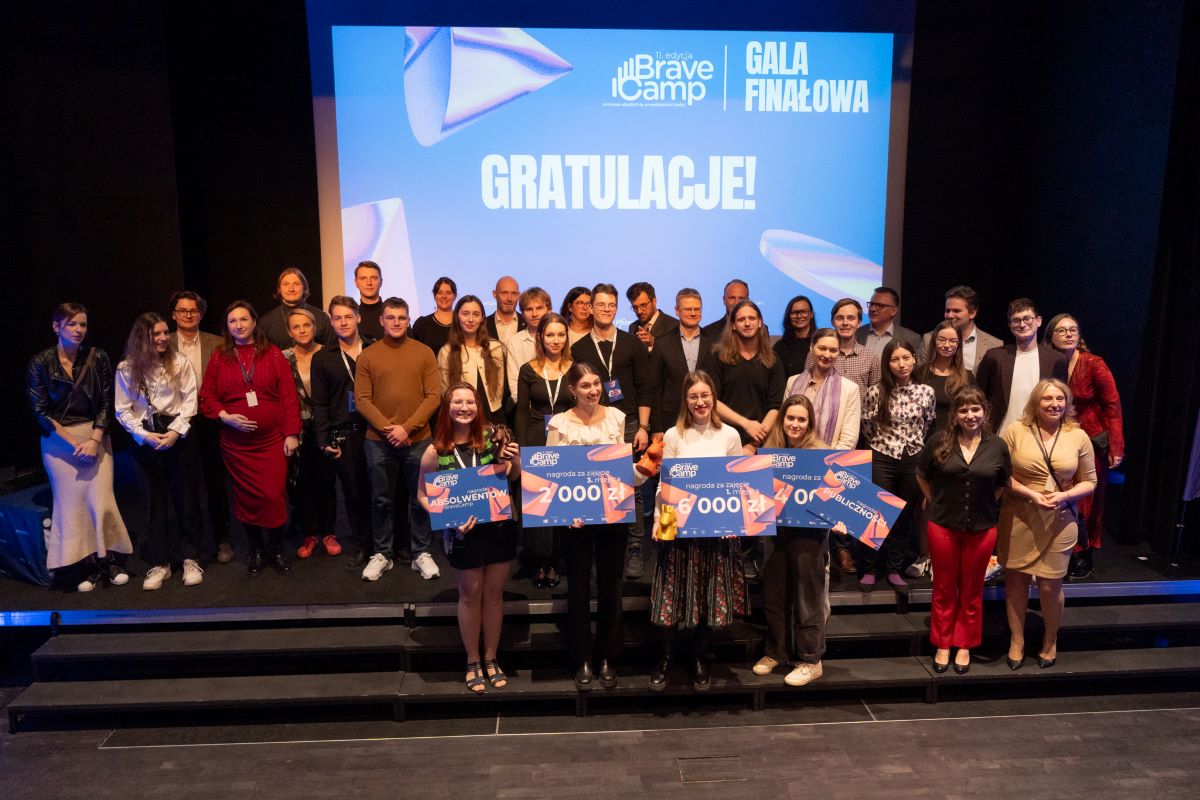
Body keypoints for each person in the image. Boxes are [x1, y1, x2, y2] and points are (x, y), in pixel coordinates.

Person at [547, 362, 648, 690]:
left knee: (611, 588)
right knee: (577, 588)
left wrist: (643, 473)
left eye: (596, 384)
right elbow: (551, 475)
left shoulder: (617, 419)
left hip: (612, 516)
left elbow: (620, 471)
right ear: (572, 390)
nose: (592, 390)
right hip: (574, 521)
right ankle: (582, 658)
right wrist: (565, 512)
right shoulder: (559, 423)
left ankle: (607, 656)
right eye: (585, 385)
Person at [417, 382, 522, 694]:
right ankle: (473, 660)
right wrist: (449, 517)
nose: (464, 408)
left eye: (470, 403)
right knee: (469, 594)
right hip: (462, 534)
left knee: (494, 594)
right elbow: (422, 496)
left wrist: (513, 461)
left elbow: (511, 477)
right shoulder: (435, 451)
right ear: (447, 408)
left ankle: (491, 658)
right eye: (458, 402)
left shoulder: (492, 441)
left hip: (499, 527)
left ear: (479, 408)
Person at [648, 371, 747, 692]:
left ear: (714, 398)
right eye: (694, 397)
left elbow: (737, 486)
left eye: (705, 395)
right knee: (671, 597)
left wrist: (735, 523)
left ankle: (698, 657)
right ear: (685, 401)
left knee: (706, 595)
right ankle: (665, 658)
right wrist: (660, 525)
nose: (700, 402)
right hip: (679, 531)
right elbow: (666, 484)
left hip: (716, 533)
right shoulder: (673, 436)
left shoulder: (730, 435)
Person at [27, 302, 132, 591]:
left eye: (83, 324)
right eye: (72, 324)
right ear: (56, 326)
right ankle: (87, 566)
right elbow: (40, 412)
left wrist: (95, 439)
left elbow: (106, 402)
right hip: (59, 442)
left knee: (101, 500)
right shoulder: (40, 362)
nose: (79, 330)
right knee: (72, 506)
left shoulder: (97, 357)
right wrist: (75, 442)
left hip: (95, 435)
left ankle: (108, 561)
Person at [997, 379, 1096, 670]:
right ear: (1035, 403)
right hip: (1019, 514)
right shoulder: (1015, 431)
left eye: (1059, 399)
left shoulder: (1078, 436)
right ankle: (1017, 640)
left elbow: (1090, 481)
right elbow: (1001, 474)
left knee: (1051, 585)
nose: (1054, 404)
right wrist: (1031, 494)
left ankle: (1050, 640)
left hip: (1060, 518)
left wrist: (1064, 495)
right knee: (1015, 580)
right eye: (1047, 399)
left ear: (1067, 403)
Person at [198, 300, 301, 574]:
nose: (239, 325)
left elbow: (289, 396)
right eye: (233, 321)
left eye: (244, 319)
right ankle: (255, 550)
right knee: (246, 498)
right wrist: (224, 415)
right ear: (227, 327)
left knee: (274, 495)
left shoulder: (273, 354)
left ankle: (277, 549)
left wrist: (292, 434)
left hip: (272, 443)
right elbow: (206, 396)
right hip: (237, 445)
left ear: (254, 322)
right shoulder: (220, 356)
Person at [755, 394, 848, 687]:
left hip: (809, 537)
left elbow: (838, 498)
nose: (795, 424)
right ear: (782, 420)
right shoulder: (770, 452)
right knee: (775, 594)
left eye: (801, 419)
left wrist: (841, 519)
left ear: (810, 424)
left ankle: (811, 659)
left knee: (808, 598)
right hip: (776, 535)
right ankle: (776, 652)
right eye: (790, 418)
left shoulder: (822, 454)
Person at [916, 387, 1011, 674]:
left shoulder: (997, 446)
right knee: (943, 588)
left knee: (971, 590)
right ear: (955, 415)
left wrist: (981, 505)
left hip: (982, 528)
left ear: (985, 412)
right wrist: (937, 501)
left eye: (975, 409)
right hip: (943, 525)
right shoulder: (938, 442)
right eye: (963, 410)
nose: (970, 415)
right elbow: (922, 475)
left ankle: (965, 644)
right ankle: (943, 643)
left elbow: (1002, 484)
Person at [355, 297, 442, 582]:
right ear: (381, 320)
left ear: (408, 320)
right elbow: (362, 400)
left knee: (421, 500)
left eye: (401, 318)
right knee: (381, 501)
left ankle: (421, 554)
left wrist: (406, 428)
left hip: (418, 440)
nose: (396, 322)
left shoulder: (425, 352)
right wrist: (389, 429)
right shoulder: (367, 356)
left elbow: (433, 397)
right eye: (390, 317)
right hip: (378, 441)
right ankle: (383, 554)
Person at [114, 312, 204, 590]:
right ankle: (160, 562)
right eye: (157, 334)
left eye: (166, 333)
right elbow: (122, 409)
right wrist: (144, 436)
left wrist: (176, 432)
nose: (164, 338)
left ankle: (190, 557)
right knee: (153, 502)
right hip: (146, 438)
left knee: (186, 498)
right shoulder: (127, 369)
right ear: (144, 337)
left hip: (177, 434)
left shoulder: (180, 362)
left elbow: (191, 401)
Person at [570, 283, 652, 579]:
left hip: (628, 422)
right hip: (592, 422)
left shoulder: (632, 344)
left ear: (616, 309)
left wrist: (643, 426)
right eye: (600, 304)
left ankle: (633, 547)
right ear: (591, 308)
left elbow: (645, 386)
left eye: (611, 305)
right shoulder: (578, 348)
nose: (606, 309)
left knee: (631, 487)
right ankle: (599, 545)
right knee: (596, 482)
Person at [1046, 314, 1124, 580]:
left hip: (1091, 441)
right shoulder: (1048, 363)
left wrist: (1116, 445)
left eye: (1073, 330)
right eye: (1062, 330)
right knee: (1059, 494)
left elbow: (1112, 406)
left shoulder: (1093, 364)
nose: (1068, 334)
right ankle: (1061, 550)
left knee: (1089, 499)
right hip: (1057, 439)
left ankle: (1084, 553)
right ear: (1051, 337)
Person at [711, 299, 784, 579]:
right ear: (733, 324)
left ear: (760, 322)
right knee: (728, 503)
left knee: (753, 504)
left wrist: (755, 441)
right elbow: (712, 399)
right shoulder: (718, 356)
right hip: (725, 438)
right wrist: (744, 425)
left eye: (752, 318)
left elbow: (776, 404)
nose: (747, 323)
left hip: (760, 442)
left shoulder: (772, 360)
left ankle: (750, 555)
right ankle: (725, 558)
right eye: (741, 319)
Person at [859, 338, 936, 592]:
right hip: (882, 455)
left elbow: (927, 425)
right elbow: (868, 429)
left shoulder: (926, 392)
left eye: (906, 358)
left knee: (903, 516)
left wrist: (911, 446)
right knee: (876, 515)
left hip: (912, 456)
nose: (901, 364)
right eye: (895, 359)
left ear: (914, 359)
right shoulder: (875, 392)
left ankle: (894, 568)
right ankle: (870, 568)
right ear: (887, 363)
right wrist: (885, 446)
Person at [783, 328, 862, 575]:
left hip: (828, 474)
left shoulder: (849, 389)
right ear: (812, 348)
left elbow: (848, 439)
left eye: (833, 350)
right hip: (794, 475)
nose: (827, 354)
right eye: (822, 348)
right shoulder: (793, 382)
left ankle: (817, 612)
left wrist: (823, 471)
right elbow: (785, 427)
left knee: (819, 552)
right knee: (793, 548)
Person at [168, 290, 232, 563]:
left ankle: (223, 540)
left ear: (201, 314)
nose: (188, 315)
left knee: (216, 484)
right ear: (174, 315)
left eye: (193, 311)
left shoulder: (218, 343)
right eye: (182, 311)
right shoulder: (164, 342)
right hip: (178, 423)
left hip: (211, 421)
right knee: (187, 486)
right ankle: (192, 546)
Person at [311, 296, 374, 569]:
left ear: (358, 317)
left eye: (348, 316)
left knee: (383, 492)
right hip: (345, 435)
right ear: (331, 322)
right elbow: (320, 403)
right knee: (354, 494)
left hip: (377, 430)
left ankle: (388, 544)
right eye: (337, 318)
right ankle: (363, 545)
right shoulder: (323, 358)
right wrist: (323, 439)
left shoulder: (375, 348)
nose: (343, 322)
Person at [514, 312, 574, 588]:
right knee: (539, 502)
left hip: (566, 438)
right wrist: (523, 450)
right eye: (550, 334)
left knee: (562, 499)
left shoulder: (575, 368)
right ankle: (539, 560)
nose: (555, 340)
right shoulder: (528, 370)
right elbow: (522, 412)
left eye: (561, 334)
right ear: (540, 337)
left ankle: (557, 559)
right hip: (537, 436)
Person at [282, 308, 338, 559]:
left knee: (327, 481)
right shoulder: (282, 358)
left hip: (325, 427)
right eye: (297, 326)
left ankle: (328, 532)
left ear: (315, 327)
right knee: (302, 483)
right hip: (296, 429)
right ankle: (310, 534)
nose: (302, 330)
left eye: (307, 325)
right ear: (289, 331)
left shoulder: (328, 354)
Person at [976, 298, 1069, 435]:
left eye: (1027, 319)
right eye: (1016, 320)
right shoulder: (994, 357)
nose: (1022, 324)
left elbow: (1062, 399)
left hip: (1041, 434)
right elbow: (979, 395)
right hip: (1001, 434)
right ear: (1010, 326)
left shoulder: (1056, 359)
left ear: (1039, 321)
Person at [649, 288, 719, 435]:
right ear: (677, 311)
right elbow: (655, 388)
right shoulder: (662, 343)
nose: (693, 313)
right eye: (688, 309)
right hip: (671, 419)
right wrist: (657, 429)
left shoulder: (714, 343)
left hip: (707, 419)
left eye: (697, 309)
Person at [438, 296, 509, 426]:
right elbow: (446, 392)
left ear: (482, 318)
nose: (471, 319)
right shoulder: (446, 351)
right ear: (457, 316)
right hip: (462, 417)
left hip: (493, 414)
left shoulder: (495, 348)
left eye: (476, 314)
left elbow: (500, 386)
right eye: (465, 314)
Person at [917, 285, 1003, 372]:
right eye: (947, 311)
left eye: (956, 311)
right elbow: (920, 374)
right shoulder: (928, 339)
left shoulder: (994, 344)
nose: (950, 315)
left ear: (972, 313)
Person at [806, 298, 881, 395]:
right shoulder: (816, 355)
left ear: (859, 323)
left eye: (851, 318)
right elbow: (806, 388)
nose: (845, 323)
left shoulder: (871, 357)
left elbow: (875, 397)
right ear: (832, 322)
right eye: (840, 318)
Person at [915, 320, 976, 433]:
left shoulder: (967, 377)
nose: (947, 345)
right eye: (942, 340)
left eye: (953, 341)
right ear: (934, 341)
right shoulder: (919, 373)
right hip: (923, 440)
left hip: (955, 438)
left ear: (958, 345)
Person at [259, 267, 336, 349]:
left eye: (296, 284)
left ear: (304, 288)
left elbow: (332, 351)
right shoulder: (266, 322)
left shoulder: (322, 318)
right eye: (286, 284)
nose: (291, 289)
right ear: (279, 289)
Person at [505, 286, 552, 398]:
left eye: (539, 308)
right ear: (522, 313)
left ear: (549, 310)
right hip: (527, 408)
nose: (534, 314)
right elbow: (514, 382)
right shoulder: (515, 342)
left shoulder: (562, 336)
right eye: (529, 309)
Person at [856, 286, 920, 357]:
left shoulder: (910, 338)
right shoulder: (857, 334)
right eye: (871, 304)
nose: (872, 309)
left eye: (879, 305)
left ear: (894, 311)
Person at [626, 281, 678, 352]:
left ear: (654, 301)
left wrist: (654, 343)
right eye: (635, 307)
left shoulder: (674, 326)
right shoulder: (632, 327)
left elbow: (676, 357)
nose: (639, 311)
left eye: (643, 305)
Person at [410, 276, 457, 356]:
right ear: (434, 295)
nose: (444, 296)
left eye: (448, 293)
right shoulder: (422, 324)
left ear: (455, 296)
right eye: (440, 292)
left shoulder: (462, 323)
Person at [773, 294, 815, 378]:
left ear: (811, 314)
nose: (799, 316)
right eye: (793, 313)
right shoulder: (780, 347)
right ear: (788, 316)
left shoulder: (821, 343)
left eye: (803, 312)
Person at [485, 275, 524, 346]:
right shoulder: (483, 325)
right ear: (494, 294)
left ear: (519, 295)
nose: (509, 299)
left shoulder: (528, 323)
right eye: (504, 293)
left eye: (514, 293)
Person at [353, 261, 385, 341]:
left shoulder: (393, 314)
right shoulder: (351, 316)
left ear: (381, 282)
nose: (369, 283)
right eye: (363, 278)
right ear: (356, 283)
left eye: (374, 278)